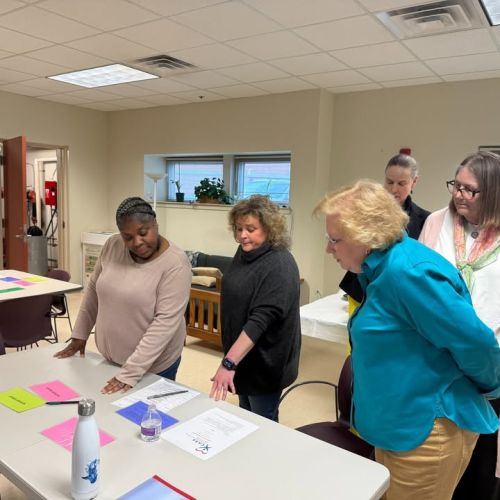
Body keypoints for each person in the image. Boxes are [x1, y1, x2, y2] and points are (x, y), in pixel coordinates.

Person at [315, 180, 500, 500]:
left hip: (426, 432)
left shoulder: (409, 273)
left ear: (366, 236)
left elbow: (477, 344)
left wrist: (490, 389)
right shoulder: (378, 269)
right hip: (398, 426)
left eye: (334, 240)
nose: (328, 249)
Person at [419, 151, 500, 500]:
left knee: (481, 454)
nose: (459, 195)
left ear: (493, 192)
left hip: (488, 359)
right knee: (441, 445)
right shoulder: (436, 222)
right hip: (436, 354)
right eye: (456, 185)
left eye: (470, 190)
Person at [55, 197, 191, 394]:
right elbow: (93, 290)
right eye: (127, 237)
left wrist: (130, 372)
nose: (137, 242)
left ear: (155, 224)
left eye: (143, 233)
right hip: (111, 360)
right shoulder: (112, 245)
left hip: (153, 367)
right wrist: (80, 334)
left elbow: (165, 323)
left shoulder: (176, 264)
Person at [209, 195, 301, 421]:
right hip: (243, 357)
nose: (242, 235)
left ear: (269, 229)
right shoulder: (245, 252)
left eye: (251, 229)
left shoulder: (280, 264)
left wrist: (228, 363)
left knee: (262, 420)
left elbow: (259, 321)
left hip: (265, 362)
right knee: (245, 416)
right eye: (239, 228)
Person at [339, 153, 430, 304]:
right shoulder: (367, 212)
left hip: (400, 296)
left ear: (414, 182)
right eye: (389, 182)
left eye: (401, 184)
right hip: (363, 291)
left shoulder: (426, 220)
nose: (393, 189)